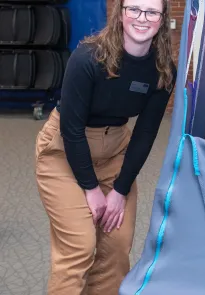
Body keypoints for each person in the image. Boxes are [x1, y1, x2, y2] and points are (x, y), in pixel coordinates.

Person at [34, 0, 176, 293]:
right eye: (133, 9)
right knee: (79, 247)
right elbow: (71, 130)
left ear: (162, 19)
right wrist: (90, 188)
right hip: (63, 151)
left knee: (117, 246)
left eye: (151, 12)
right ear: (120, 13)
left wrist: (120, 190)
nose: (141, 18)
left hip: (115, 152)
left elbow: (145, 133)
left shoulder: (162, 70)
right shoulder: (89, 57)